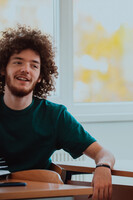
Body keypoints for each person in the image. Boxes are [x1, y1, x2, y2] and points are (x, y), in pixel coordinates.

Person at [0, 25, 115, 200]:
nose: (26, 69)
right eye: (18, 62)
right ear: (3, 69)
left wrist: (103, 167)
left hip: (43, 197)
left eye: (34, 65)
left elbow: (103, 153)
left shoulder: (55, 116)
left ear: (40, 76)